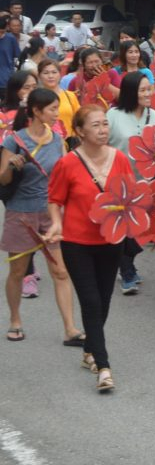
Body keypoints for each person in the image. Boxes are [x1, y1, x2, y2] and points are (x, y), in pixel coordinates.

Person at [46, 105, 136, 392]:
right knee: (91, 301)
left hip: (112, 240)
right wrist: (56, 224)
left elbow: (130, 195)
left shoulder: (120, 158)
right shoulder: (68, 163)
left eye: (105, 125)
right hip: (77, 242)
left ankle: (89, 350)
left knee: (104, 298)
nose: (102, 130)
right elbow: (55, 199)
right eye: (95, 125)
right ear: (80, 131)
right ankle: (103, 365)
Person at [1, 87, 81, 345]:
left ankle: (70, 329)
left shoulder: (58, 140)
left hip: (51, 214)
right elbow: (2, 178)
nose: (57, 114)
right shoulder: (14, 140)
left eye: (58, 108)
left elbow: (67, 175)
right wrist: (12, 165)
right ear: (36, 111)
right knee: (17, 272)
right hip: (21, 213)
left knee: (60, 272)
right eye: (52, 109)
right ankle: (15, 319)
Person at [105, 71, 155, 295]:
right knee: (126, 228)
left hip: (147, 184)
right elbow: (101, 144)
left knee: (142, 230)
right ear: (131, 92)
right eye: (143, 89)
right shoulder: (113, 115)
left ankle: (126, 263)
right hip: (118, 182)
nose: (148, 93)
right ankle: (127, 273)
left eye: (149, 88)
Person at [36, 60, 79, 139]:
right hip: (44, 142)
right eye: (46, 73)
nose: (50, 76)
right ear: (39, 76)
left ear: (60, 74)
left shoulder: (70, 96)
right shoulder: (36, 98)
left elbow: (78, 120)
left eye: (54, 72)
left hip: (69, 142)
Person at [0, 16, 20, 90]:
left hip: (7, 78)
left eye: (2, 32)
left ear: (6, 28)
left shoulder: (11, 39)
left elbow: (18, 56)